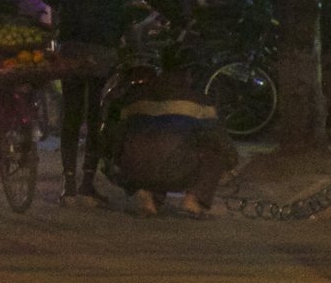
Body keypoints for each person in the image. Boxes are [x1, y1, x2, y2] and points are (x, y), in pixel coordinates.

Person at [40, 0, 177, 204]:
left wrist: (68, 9)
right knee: (94, 112)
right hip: (102, 46)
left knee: (72, 112)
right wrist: (178, 17)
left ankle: (69, 185)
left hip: (71, 42)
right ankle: (88, 184)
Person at [100, 61, 239, 217]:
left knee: (153, 149)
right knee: (214, 153)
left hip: (134, 171)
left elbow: (114, 138)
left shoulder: (135, 96)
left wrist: (118, 164)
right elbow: (220, 140)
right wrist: (231, 164)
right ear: (188, 75)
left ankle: (146, 193)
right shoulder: (198, 101)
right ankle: (193, 202)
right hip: (174, 172)